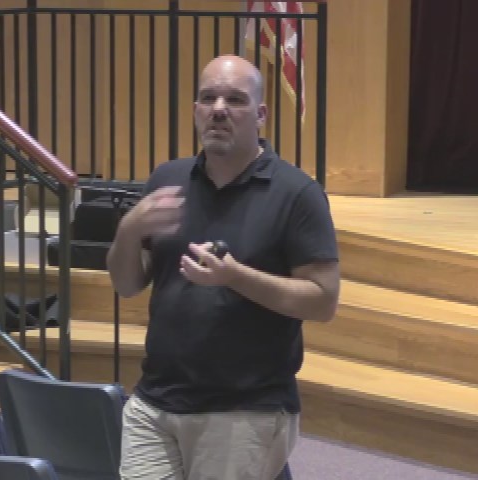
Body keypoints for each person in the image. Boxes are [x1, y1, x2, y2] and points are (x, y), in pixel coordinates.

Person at [107, 54, 340, 480]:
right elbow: (126, 284)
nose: (218, 109)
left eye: (234, 99)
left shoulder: (297, 194)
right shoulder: (167, 181)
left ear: (261, 115)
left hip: (244, 411)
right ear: (195, 109)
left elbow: (323, 301)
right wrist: (128, 230)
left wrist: (235, 277)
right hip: (154, 403)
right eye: (208, 98)